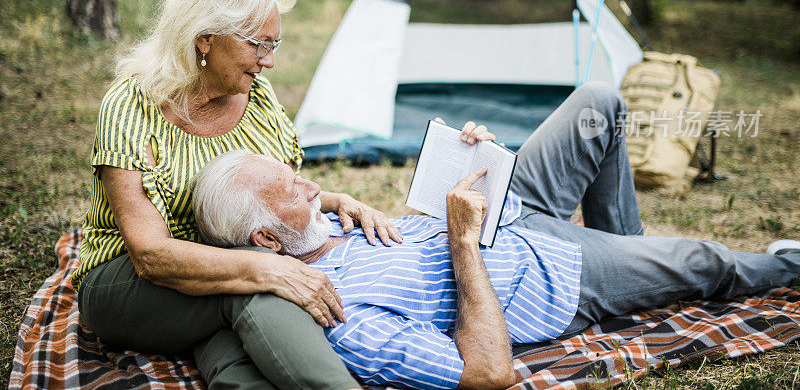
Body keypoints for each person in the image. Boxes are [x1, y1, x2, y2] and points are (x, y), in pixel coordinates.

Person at [192, 84, 800, 390]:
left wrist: (463, 163)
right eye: (291, 191)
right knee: (712, 262)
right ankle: (779, 265)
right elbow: (485, 373)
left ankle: (630, 250)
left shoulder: (333, 228)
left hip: (511, 208)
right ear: (267, 239)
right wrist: (461, 243)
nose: (311, 187)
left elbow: (423, 221)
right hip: (553, 275)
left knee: (597, 102)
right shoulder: (340, 318)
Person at [73, 0, 405, 390]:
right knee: (257, 281)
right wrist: (266, 269)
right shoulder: (132, 107)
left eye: (275, 43)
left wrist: (337, 200)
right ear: (204, 37)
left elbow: (274, 198)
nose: (269, 60)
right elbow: (150, 255)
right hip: (131, 281)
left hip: (225, 276)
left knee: (238, 352)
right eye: (258, 43)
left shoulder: (259, 99)